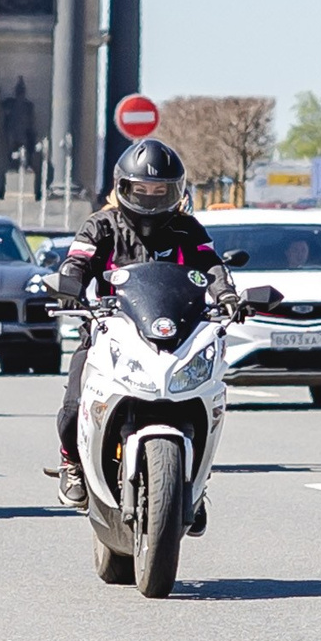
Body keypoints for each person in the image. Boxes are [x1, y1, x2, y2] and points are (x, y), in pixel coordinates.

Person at [50, 139, 234, 509]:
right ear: (122, 187)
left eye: (160, 190)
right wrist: (69, 288)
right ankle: (72, 462)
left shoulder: (188, 229)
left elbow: (211, 264)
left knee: (205, 396)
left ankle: (194, 485)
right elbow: (76, 262)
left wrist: (228, 294)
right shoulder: (101, 225)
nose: (150, 197)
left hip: (178, 334)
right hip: (110, 331)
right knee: (74, 405)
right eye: (141, 189)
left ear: (175, 191)